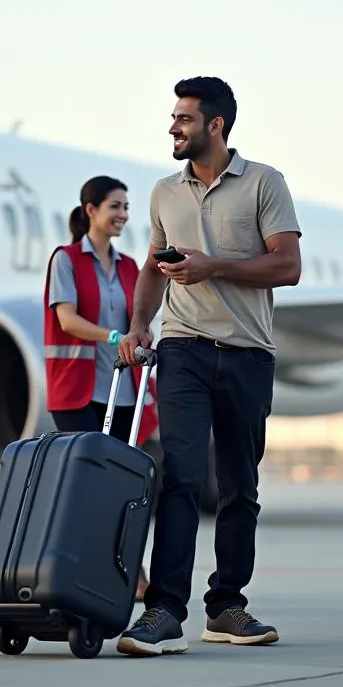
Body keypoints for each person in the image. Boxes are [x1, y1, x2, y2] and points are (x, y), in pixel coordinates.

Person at [116, 76, 301, 656]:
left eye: (185, 119)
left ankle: (226, 606)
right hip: (183, 349)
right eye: (173, 118)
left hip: (248, 354)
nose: (173, 127)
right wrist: (142, 323)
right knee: (180, 476)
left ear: (216, 125)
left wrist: (212, 266)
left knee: (240, 487)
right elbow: (152, 268)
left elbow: (287, 266)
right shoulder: (164, 192)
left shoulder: (265, 183)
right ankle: (164, 610)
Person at [43, 175, 158, 601]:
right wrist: (115, 338)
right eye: (115, 206)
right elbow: (66, 320)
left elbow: (140, 320)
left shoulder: (131, 267)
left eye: (126, 207)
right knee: (82, 488)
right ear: (90, 210)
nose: (123, 215)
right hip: (76, 391)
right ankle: (75, 570)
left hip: (123, 391)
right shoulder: (66, 260)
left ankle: (134, 572)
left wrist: (139, 337)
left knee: (124, 489)